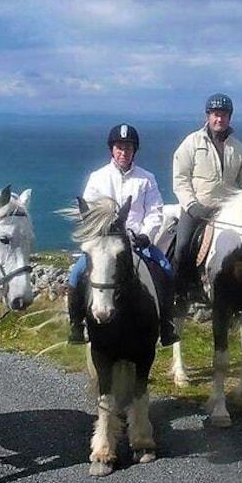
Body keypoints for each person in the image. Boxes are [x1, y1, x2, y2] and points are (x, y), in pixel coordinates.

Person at [66, 123, 179, 347]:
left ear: (134, 151)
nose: (123, 152)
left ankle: (166, 325)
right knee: (76, 274)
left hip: (137, 242)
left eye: (127, 148)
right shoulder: (97, 178)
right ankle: (76, 325)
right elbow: (88, 214)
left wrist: (146, 234)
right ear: (112, 149)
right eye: (119, 147)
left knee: (166, 269)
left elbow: (155, 211)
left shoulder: (146, 179)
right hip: (104, 245)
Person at [172, 93, 242, 314]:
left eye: (224, 115)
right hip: (197, 208)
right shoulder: (192, 142)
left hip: (227, 211)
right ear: (208, 116)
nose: (220, 119)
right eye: (216, 115)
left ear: (229, 118)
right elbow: (180, 179)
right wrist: (192, 205)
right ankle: (181, 291)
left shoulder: (237, 147)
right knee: (182, 246)